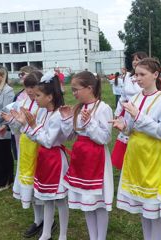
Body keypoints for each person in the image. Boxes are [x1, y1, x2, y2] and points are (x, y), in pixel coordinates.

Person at [111, 58, 161, 240]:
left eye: (142, 74)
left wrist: (138, 116)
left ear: (156, 74)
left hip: (154, 157)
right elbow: (131, 128)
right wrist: (123, 127)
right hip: (135, 156)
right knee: (143, 207)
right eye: (135, 74)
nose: (137, 79)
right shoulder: (135, 97)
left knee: (155, 208)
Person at [13, 71, 69, 240]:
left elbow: (48, 140)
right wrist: (25, 125)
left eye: (38, 95)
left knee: (59, 199)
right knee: (46, 198)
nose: (34, 98)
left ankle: (63, 235)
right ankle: (45, 233)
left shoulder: (58, 115)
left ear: (50, 97)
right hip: (44, 159)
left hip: (55, 160)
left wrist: (33, 126)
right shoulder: (44, 112)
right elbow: (36, 136)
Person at [60, 71, 113, 240]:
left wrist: (90, 123)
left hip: (97, 159)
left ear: (89, 88)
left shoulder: (103, 108)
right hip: (81, 160)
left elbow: (104, 138)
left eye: (76, 89)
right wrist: (66, 119)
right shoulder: (78, 108)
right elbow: (69, 136)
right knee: (87, 203)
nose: (73, 93)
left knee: (98, 204)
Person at [0, 71, 45, 238]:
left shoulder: (44, 105)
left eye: (33, 87)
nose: (30, 91)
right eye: (27, 87)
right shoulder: (25, 102)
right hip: (25, 148)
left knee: (40, 187)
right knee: (29, 188)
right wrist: (12, 122)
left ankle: (47, 223)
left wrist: (25, 123)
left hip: (39, 150)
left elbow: (42, 129)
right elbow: (18, 129)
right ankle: (37, 220)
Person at [111, 51, 148, 170]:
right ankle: (127, 166)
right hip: (127, 111)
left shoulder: (146, 78)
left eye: (138, 59)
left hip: (140, 110)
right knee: (126, 136)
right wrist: (117, 113)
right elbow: (123, 95)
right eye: (134, 59)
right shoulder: (127, 76)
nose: (135, 61)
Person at [10, 66, 37, 161]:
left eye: (23, 74)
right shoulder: (19, 95)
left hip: (34, 134)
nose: (20, 76)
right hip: (21, 133)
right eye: (19, 74)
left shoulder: (40, 99)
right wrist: (10, 121)